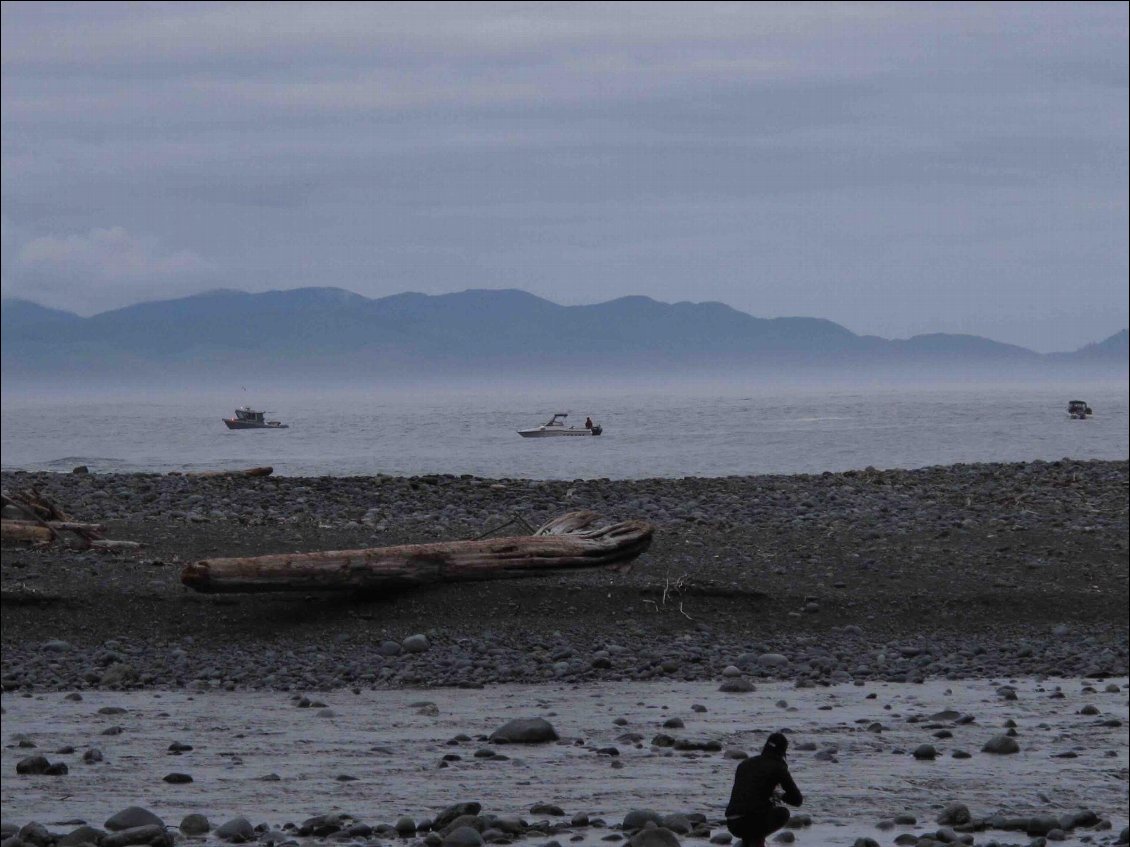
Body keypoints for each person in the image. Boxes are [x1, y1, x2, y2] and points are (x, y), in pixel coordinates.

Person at [725, 731, 803, 847]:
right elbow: (797, 799)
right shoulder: (778, 766)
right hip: (752, 821)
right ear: (783, 751)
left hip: (732, 822)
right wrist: (780, 795)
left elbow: (748, 794)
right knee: (782, 813)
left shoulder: (744, 764)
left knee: (755, 814)